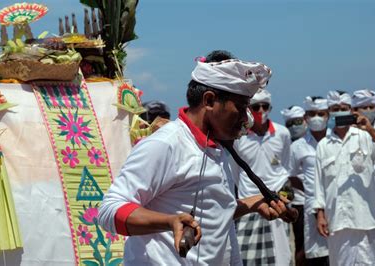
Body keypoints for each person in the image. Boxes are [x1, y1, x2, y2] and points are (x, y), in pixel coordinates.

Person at [98, 57, 296, 265]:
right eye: (240, 106)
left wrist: (253, 203)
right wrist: (169, 222)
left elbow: (211, 213)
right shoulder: (166, 144)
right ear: (209, 101)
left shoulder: (217, 148)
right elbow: (109, 211)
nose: (246, 118)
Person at [314, 90, 375, 266]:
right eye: (335, 108)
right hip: (336, 220)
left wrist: (371, 129)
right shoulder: (323, 145)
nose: (340, 111)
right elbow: (319, 184)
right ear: (329, 113)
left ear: (352, 111)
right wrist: (320, 215)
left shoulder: (365, 136)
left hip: (365, 218)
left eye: (344, 108)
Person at [234, 89, 293, 265]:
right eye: (256, 107)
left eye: (264, 106)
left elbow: (286, 167)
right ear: (248, 109)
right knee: (246, 257)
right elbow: (235, 173)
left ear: (270, 107)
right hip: (248, 204)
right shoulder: (239, 137)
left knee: (282, 257)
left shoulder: (282, 134)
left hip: (278, 203)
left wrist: (284, 193)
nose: (260, 111)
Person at [288, 96, 330, 266]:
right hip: (311, 206)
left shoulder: (336, 141)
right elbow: (290, 175)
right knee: (313, 254)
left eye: (321, 113)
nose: (317, 118)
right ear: (306, 118)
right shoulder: (297, 147)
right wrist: (310, 189)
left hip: (338, 203)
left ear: (328, 115)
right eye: (312, 114)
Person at [281, 105, 306, 265]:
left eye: (297, 121)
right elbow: (287, 177)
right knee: (301, 245)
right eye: (290, 123)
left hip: (322, 201)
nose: (294, 126)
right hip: (299, 203)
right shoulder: (286, 146)